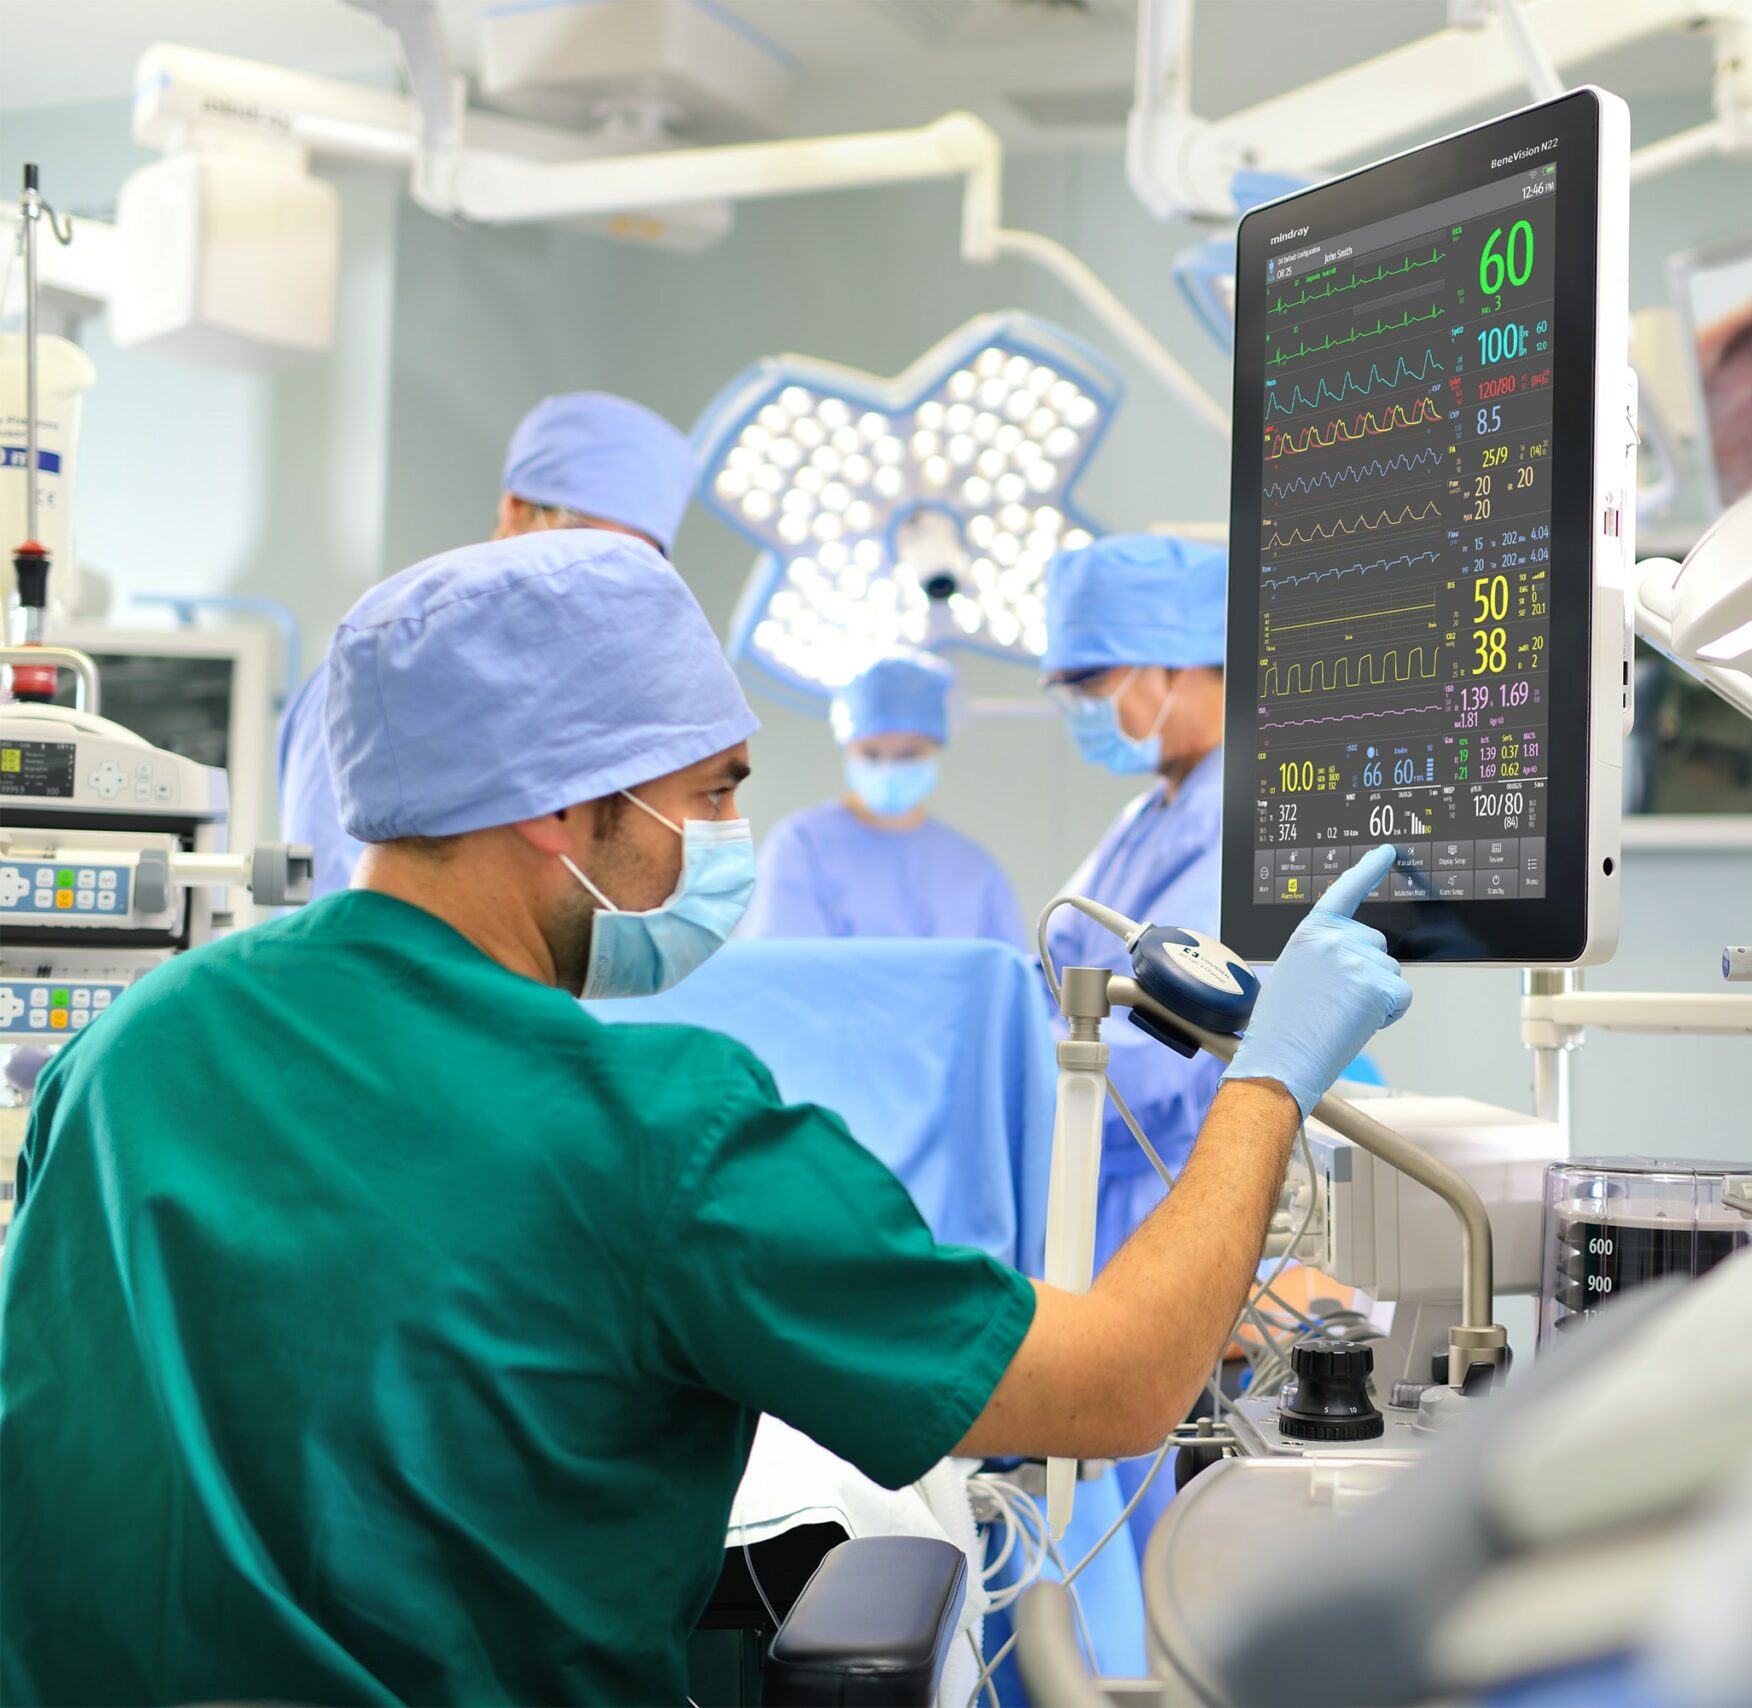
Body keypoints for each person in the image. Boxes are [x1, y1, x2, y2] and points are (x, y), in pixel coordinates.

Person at [0, 531, 1412, 1706]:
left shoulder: (125, 1055)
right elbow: (1115, 1386)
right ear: (562, 806)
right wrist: (1272, 1075)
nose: (731, 836)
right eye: (710, 793)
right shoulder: (653, 1134)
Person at [275, 391, 696, 899]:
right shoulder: (385, 675)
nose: (595, 580)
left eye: (629, 565)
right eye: (583, 545)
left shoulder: (599, 704)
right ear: (516, 508)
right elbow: (324, 901)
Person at [1038, 533, 1233, 1262]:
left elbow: (1172, 1046)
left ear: (1180, 664)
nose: (1077, 707)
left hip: (1178, 1197)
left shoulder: (1242, 818)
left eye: (1088, 682)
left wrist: (1016, 1071)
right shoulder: (1147, 816)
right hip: (1108, 1192)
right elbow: (1052, 971)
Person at [738, 649, 1024, 947]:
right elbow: (782, 971)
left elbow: (1008, 982)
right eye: (872, 754)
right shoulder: (802, 846)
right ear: (847, 749)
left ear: (936, 748)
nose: (888, 768)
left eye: (908, 753)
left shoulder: (973, 869)